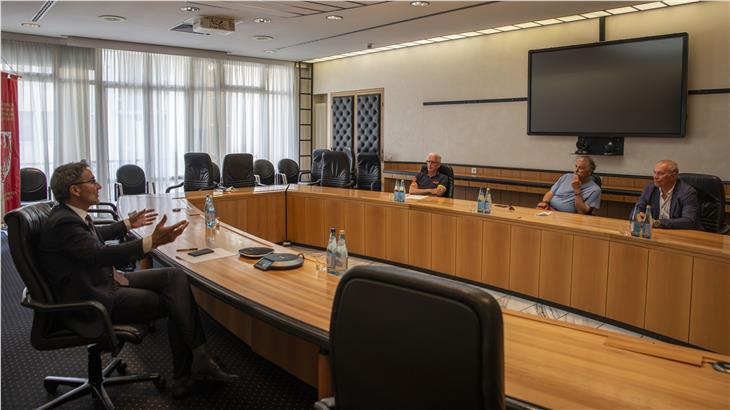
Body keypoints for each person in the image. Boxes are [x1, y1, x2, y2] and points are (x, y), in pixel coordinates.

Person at [39, 161, 238, 398]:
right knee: (177, 303)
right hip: (93, 299)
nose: (99, 185)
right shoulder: (65, 222)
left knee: (173, 276)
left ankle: (201, 358)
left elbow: (93, 238)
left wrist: (126, 224)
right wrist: (150, 242)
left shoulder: (67, 214)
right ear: (75, 189)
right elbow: (96, 254)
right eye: (92, 181)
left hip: (99, 282)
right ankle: (185, 376)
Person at [636, 159, 698, 229]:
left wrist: (658, 223)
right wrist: (639, 216)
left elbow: (689, 220)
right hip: (656, 232)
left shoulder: (687, 192)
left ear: (673, 176)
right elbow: (636, 210)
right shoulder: (650, 188)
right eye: (654, 172)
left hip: (679, 233)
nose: (655, 177)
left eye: (660, 173)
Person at [537, 156, 601, 215]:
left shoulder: (595, 190)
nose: (576, 170)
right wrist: (545, 202)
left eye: (581, 168)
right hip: (550, 210)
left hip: (568, 216)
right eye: (576, 166)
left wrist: (577, 190)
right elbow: (550, 193)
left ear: (589, 172)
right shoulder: (566, 177)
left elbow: (582, 212)